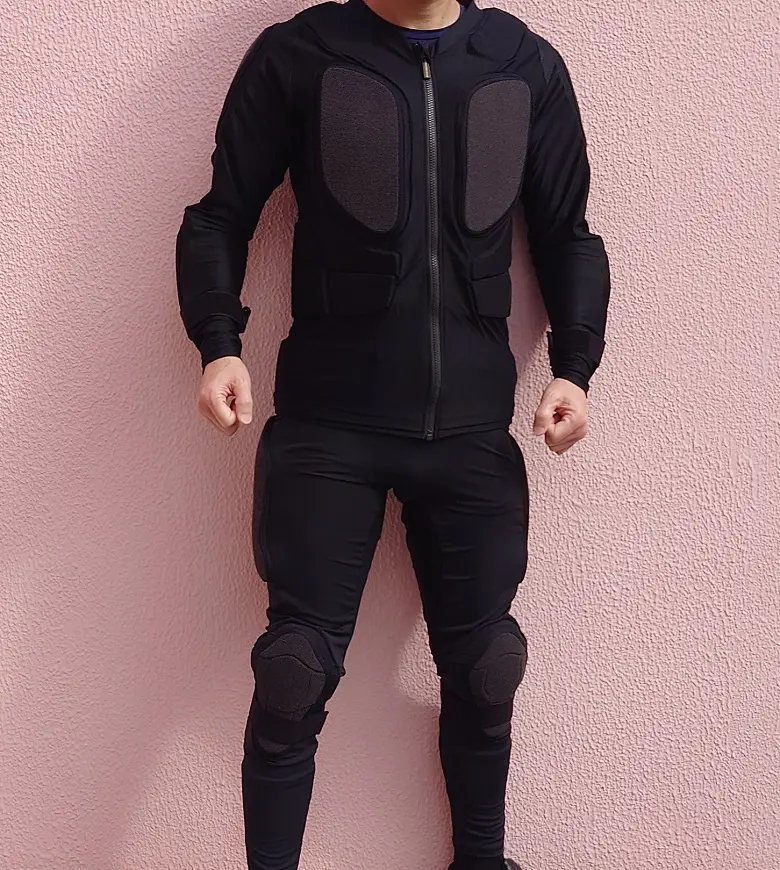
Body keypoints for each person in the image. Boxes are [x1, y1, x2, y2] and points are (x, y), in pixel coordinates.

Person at [176, 0, 610, 867]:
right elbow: (219, 216)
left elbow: (568, 235)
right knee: (293, 674)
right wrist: (218, 345)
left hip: (473, 429)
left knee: (488, 667)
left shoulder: (521, 64)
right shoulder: (300, 54)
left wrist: (575, 366)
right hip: (328, 427)